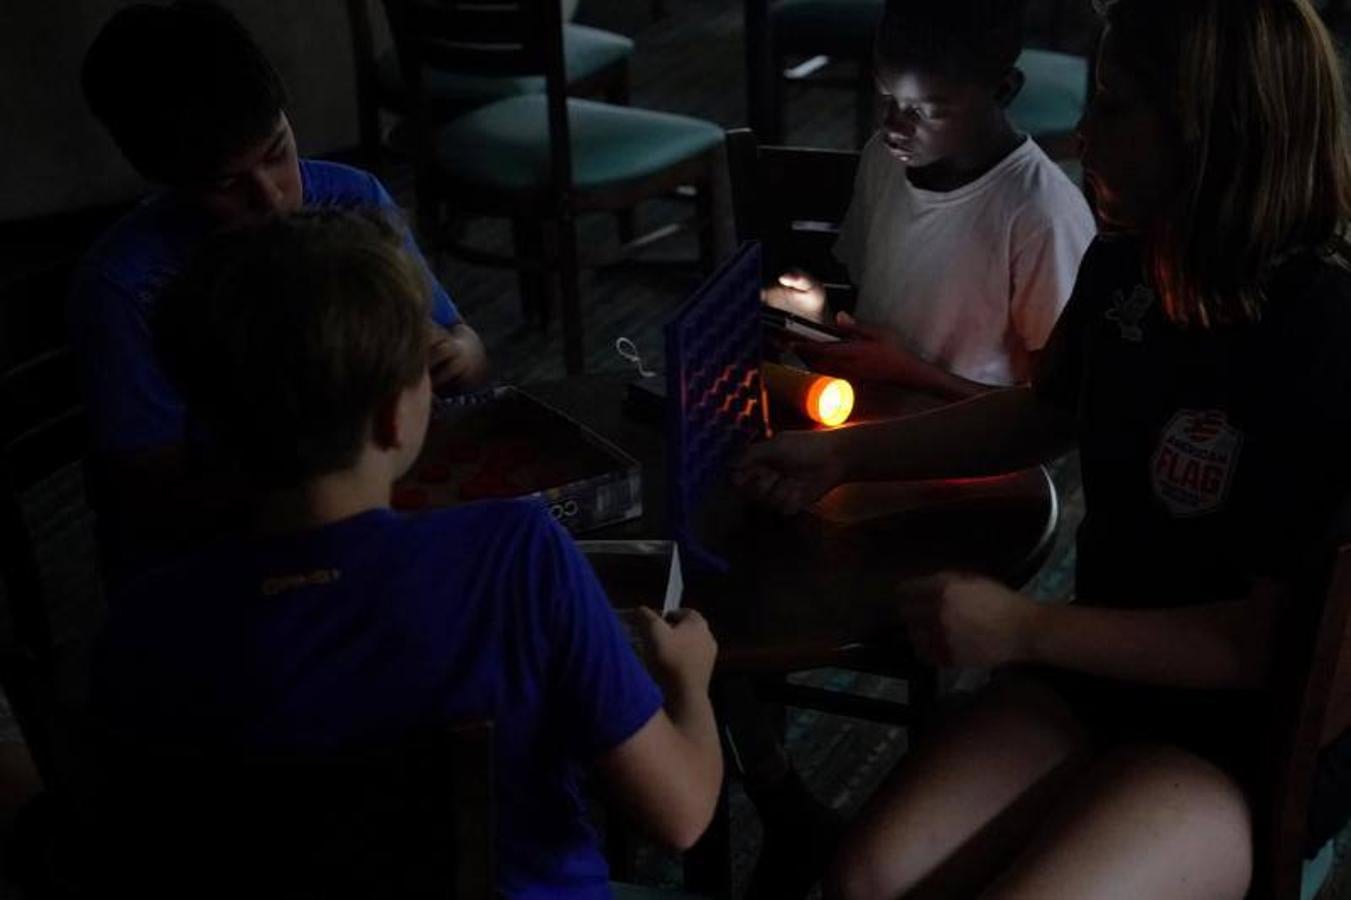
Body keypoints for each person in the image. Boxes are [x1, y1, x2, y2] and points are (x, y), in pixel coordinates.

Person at [737, 0, 1351, 896]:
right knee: (864, 878)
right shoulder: (1131, 258)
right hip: (1092, 673)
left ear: (1211, 133)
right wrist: (843, 457)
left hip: (1241, 732)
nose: (1077, 131)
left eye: (1112, 106)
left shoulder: (1321, 331)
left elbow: (1264, 644)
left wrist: (1024, 628)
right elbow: (1044, 411)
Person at [92, 208, 722, 898]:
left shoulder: (139, 627)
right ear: (397, 414)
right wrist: (686, 679)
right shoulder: (512, 554)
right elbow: (681, 814)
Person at [70, 2, 488, 576]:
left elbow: (459, 338)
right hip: (214, 561)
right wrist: (329, 468)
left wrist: (460, 354)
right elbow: (147, 487)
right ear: (162, 175)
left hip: (364, 517)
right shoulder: (123, 287)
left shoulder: (353, 200)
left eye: (278, 153)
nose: (270, 197)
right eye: (226, 183)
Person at [763, 0, 1095, 402]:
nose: (893, 128)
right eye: (887, 98)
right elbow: (876, 315)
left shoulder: (1041, 214)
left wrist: (911, 373)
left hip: (975, 454)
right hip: (864, 432)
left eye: (927, 111)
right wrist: (817, 319)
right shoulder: (882, 160)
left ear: (1003, 90)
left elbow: (1057, 409)